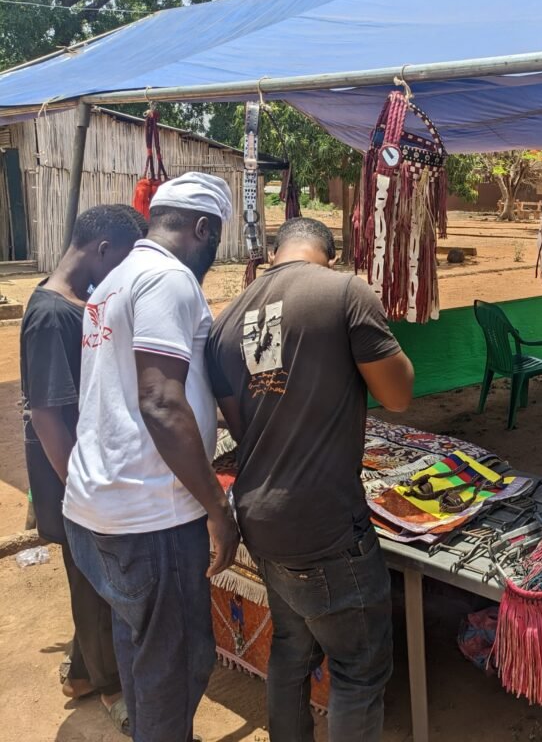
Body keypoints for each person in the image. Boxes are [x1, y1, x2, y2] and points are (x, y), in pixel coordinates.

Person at [205, 217, 414, 742]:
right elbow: (398, 395)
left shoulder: (227, 320)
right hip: (324, 525)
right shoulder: (344, 291)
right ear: (330, 254)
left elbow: (243, 423)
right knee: (359, 670)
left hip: (260, 516)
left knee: (291, 652)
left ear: (275, 253)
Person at [62, 173, 240, 742]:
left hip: (98, 508)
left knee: (139, 646)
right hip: (151, 517)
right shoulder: (169, 278)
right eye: (215, 242)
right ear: (203, 228)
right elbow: (161, 400)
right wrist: (216, 507)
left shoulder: (115, 279)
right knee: (177, 666)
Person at [20, 204, 145, 734]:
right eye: (120, 261)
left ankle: (79, 671)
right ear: (101, 250)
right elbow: (47, 412)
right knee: (94, 580)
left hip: (80, 466)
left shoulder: (78, 302)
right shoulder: (52, 313)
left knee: (89, 574)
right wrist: (80, 486)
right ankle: (112, 687)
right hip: (70, 471)